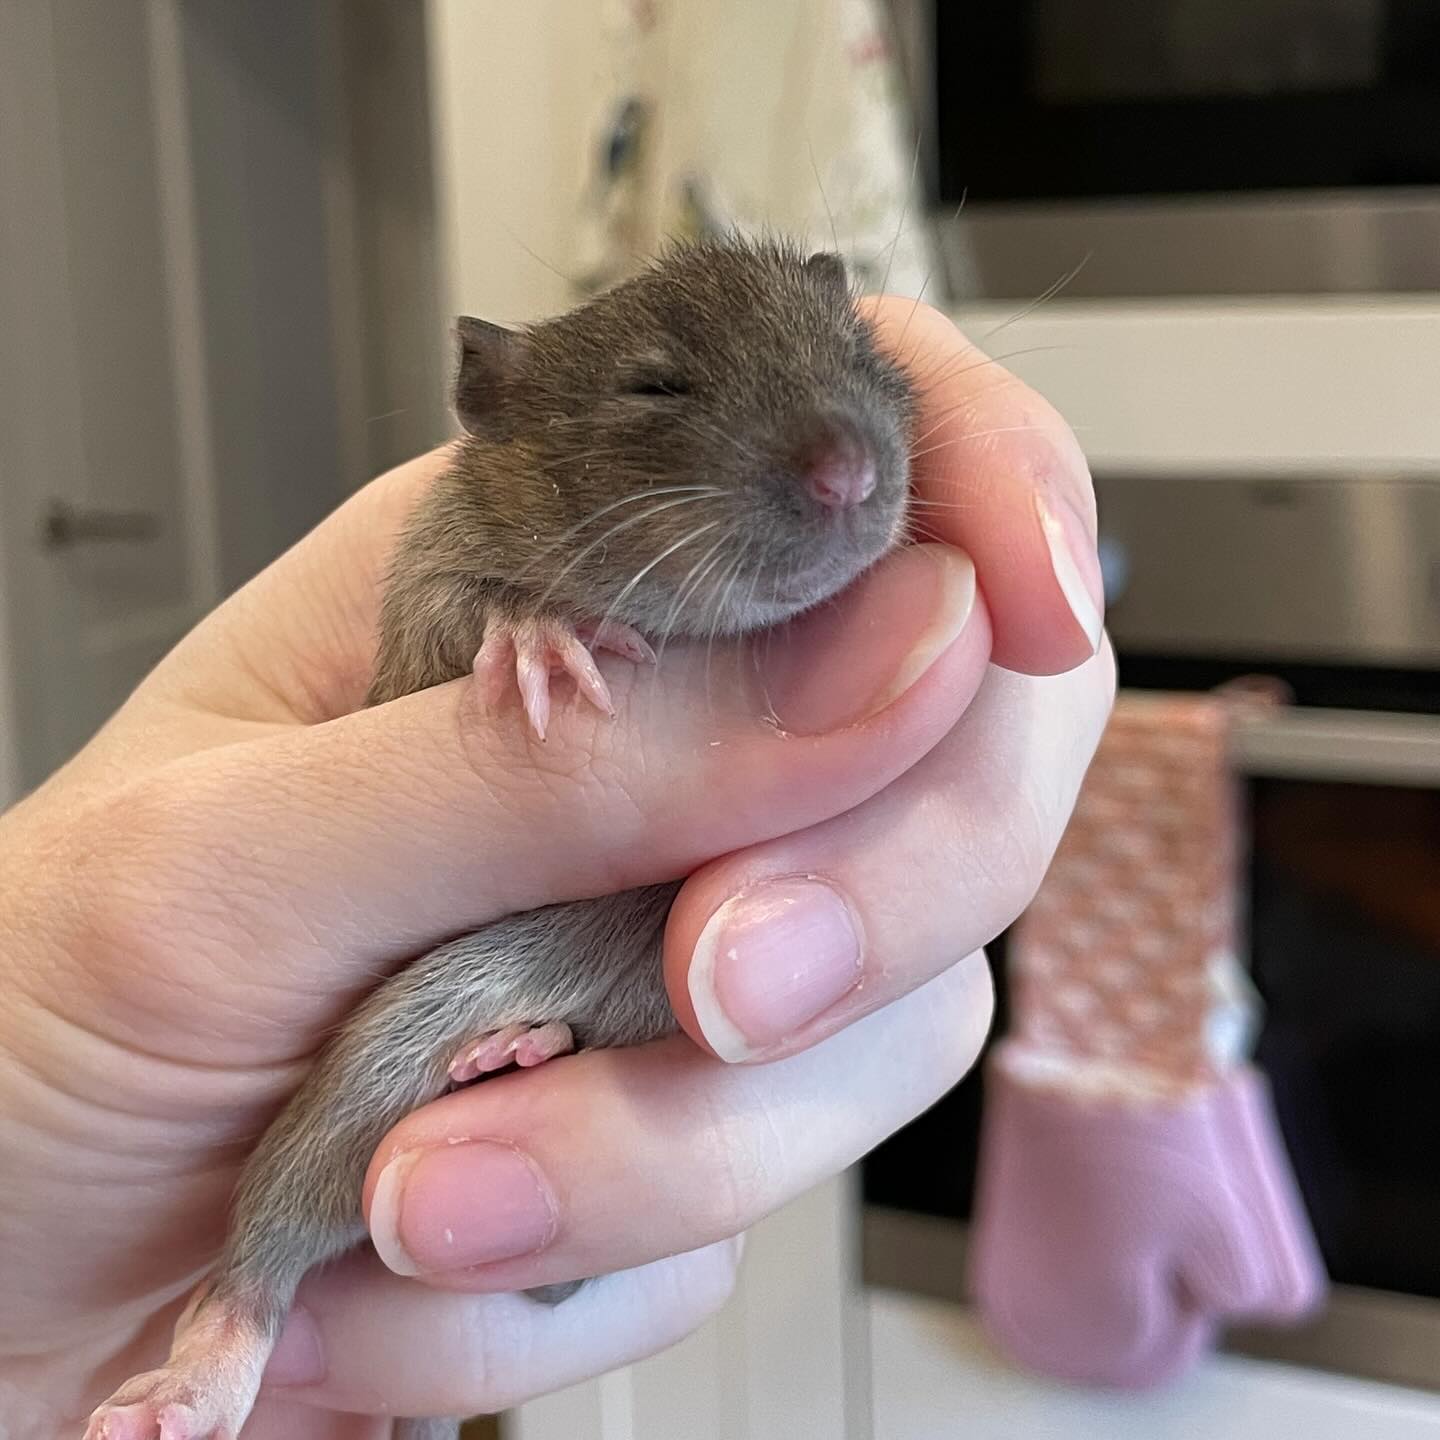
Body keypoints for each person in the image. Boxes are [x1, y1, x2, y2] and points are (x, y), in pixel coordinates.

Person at [0, 299, 1113, 1436]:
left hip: (624, 979)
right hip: (499, 967)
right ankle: (234, 1323)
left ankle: (523, 1185)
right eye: (659, 394)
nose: (838, 466)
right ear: (502, 407)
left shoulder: (891, 545)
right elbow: (424, 652)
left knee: (577, 1192)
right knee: (409, 1044)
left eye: (850, 370)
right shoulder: (478, 535)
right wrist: (511, 622)